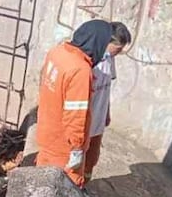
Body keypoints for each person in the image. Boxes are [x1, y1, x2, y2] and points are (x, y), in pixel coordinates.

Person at [35, 19, 114, 187]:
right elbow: (76, 116)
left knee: (42, 185)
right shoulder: (80, 70)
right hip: (63, 147)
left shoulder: (56, 52)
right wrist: (77, 149)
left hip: (46, 133)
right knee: (65, 192)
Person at [84, 22, 131, 183]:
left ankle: (84, 186)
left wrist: (107, 112)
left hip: (98, 120)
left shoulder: (110, 59)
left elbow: (107, 89)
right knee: (76, 158)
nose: (118, 53)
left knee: (91, 159)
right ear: (106, 41)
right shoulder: (89, 60)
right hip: (84, 120)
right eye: (117, 48)